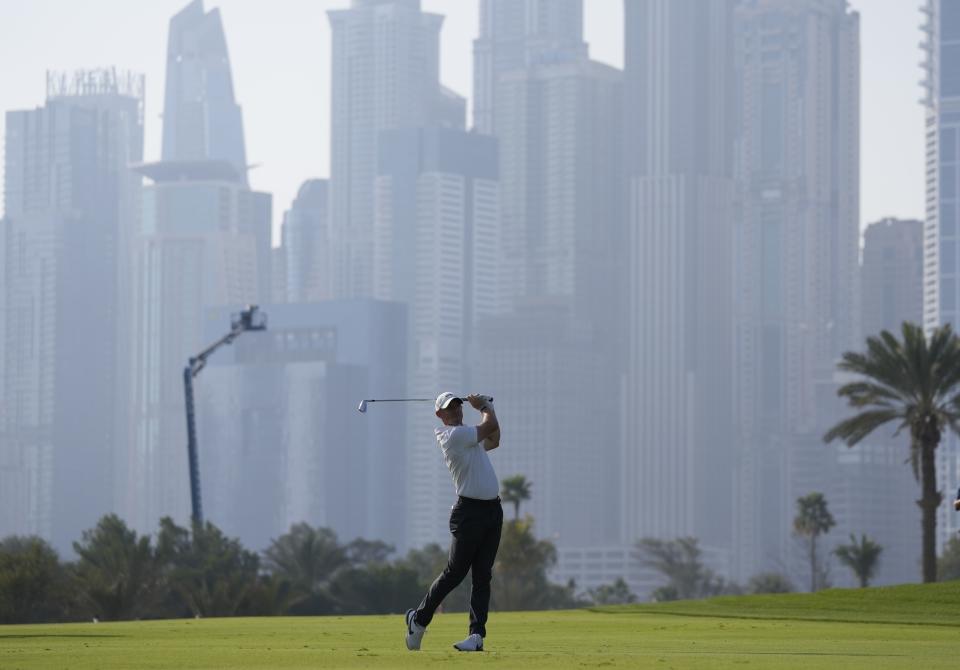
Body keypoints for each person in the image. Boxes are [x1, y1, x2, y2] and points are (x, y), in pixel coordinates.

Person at [405, 392, 503, 653]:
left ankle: (476, 636)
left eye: (458, 406)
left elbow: (494, 439)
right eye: (450, 408)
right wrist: (484, 406)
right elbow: (489, 426)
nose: (457, 411)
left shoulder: (468, 435)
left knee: (483, 575)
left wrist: (488, 409)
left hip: (493, 511)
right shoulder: (451, 436)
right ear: (440, 414)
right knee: (455, 573)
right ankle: (419, 620)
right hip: (469, 512)